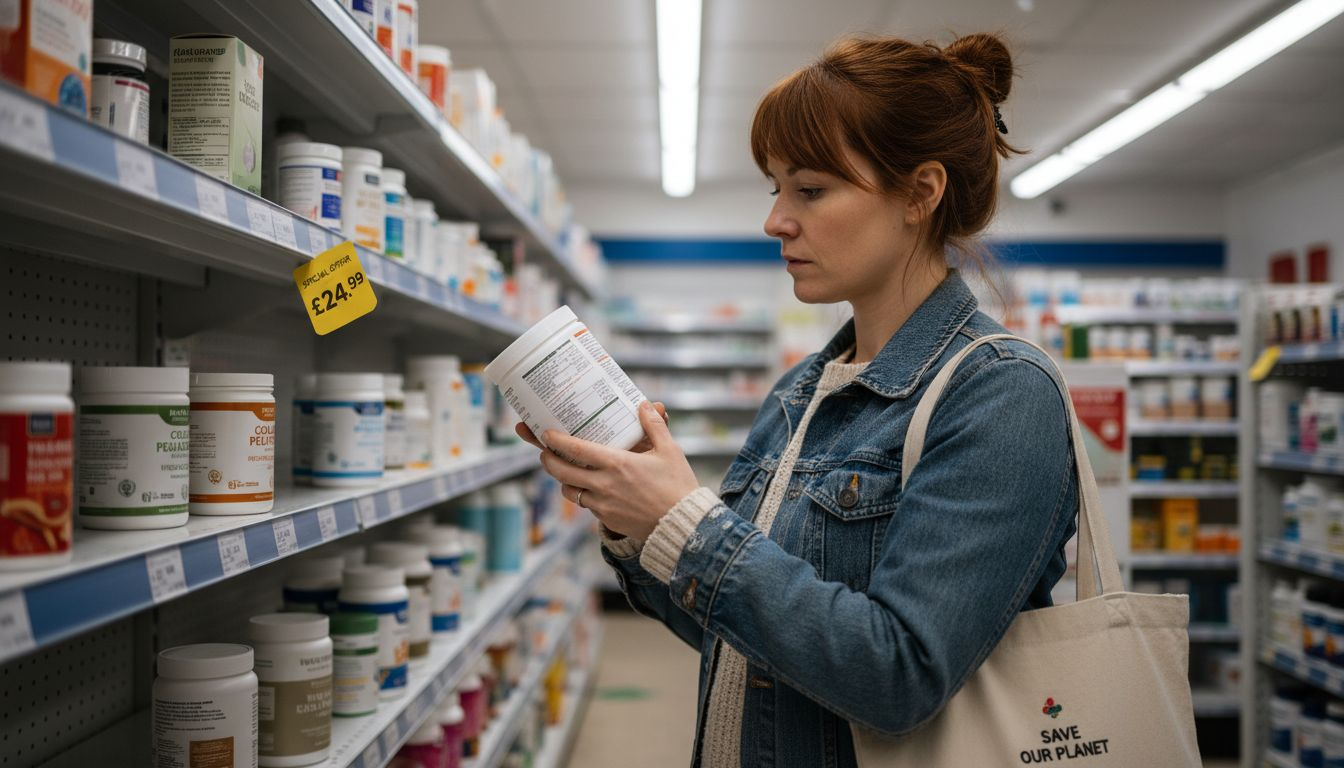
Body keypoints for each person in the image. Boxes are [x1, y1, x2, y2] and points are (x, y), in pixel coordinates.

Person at [517, 33, 1079, 767]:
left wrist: (688, 525)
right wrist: (633, 516)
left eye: (809, 190)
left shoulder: (1000, 391)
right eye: (774, 188)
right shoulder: (801, 390)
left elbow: (899, 675)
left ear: (920, 193)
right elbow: (737, 640)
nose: (775, 220)